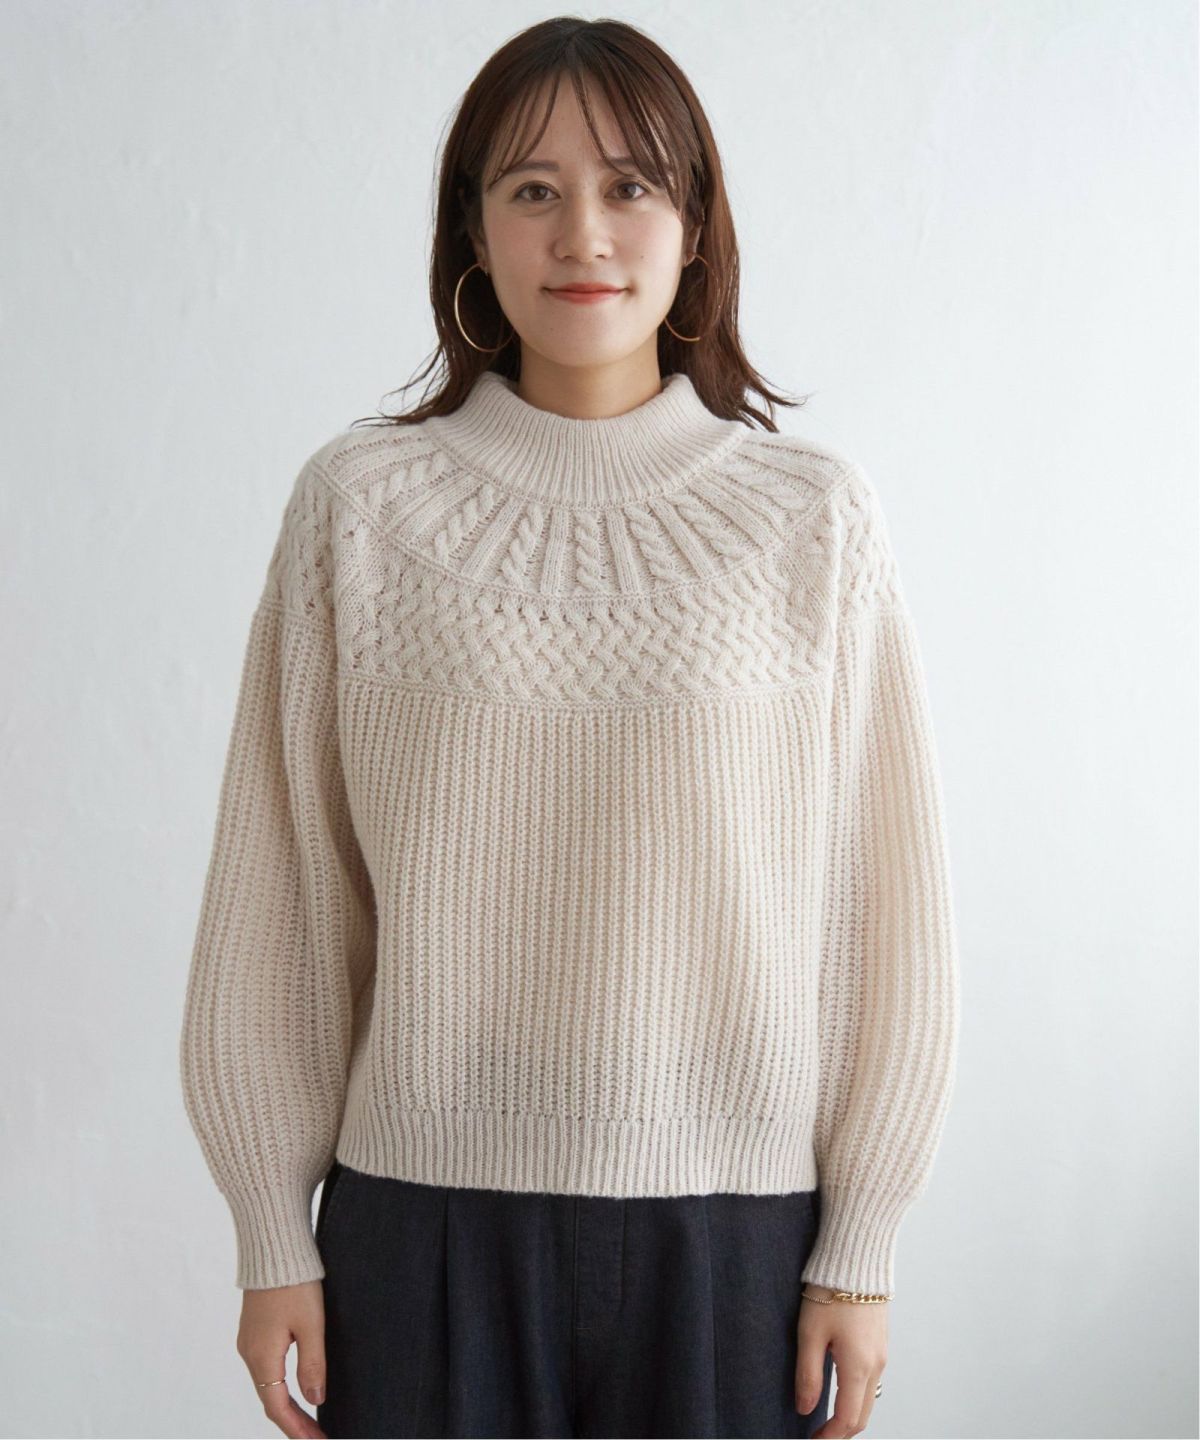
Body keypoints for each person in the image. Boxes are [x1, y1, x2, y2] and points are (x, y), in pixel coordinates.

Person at [178, 16, 960, 1440]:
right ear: (470, 231)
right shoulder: (360, 510)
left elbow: (880, 905)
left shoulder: (811, 521)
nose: (582, 233)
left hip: (736, 1236)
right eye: (532, 188)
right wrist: (268, 1228)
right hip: (420, 1224)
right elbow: (283, 889)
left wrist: (863, 1243)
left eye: (630, 186)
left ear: (695, 228)